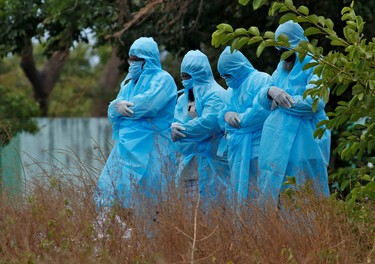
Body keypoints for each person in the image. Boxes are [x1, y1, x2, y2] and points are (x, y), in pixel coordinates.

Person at [95, 37, 178, 211]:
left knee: (149, 200)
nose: (131, 63)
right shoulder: (128, 83)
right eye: (130, 59)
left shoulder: (163, 80)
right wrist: (115, 106)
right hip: (126, 148)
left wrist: (120, 107)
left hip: (154, 149)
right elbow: (113, 112)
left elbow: (144, 106)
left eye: (135, 59)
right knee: (109, 192)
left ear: (147, 60)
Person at [257, 21, 331, 206]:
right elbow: (263, 99)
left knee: (306, 198)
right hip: (276, 147)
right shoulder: (282, 67)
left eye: (285, 49)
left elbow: (314, 102)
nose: (281, 54)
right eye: (278, 49)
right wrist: (270, 92)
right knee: (280, 200)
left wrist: (283, 101)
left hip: (305, 146)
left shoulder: (315, 64)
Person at [172, 50, 230, 206]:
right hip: (188, 167)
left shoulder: (216, 94)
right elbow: (177, 122)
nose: (184, 81)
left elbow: (209, 123)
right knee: (190, 217)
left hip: (214, 165)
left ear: (199, 73)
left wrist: (182, 131)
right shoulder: (186, 98)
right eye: (182, 76)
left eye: (187, 76)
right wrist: (173, 130)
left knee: (215, 213)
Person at [217, 46, 271, 203]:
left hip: (256, 146)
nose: (226, 79)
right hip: (237, 150)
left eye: (228, 74)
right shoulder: (230, 90)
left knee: (258, 191)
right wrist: (226, 116)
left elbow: (261, 111)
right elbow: (222, 113)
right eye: (223, 76)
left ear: (238, 67)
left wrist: (239, 120)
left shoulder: (261, 79)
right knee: (239, 193)